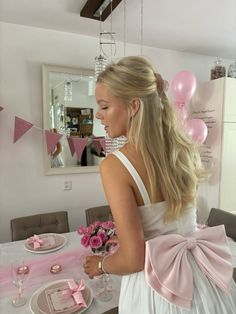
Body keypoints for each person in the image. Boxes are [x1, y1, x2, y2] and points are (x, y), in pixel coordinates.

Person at [83, 56, 236, 313]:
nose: (98, 115)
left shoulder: (114, 166)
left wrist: (101, 265)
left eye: (105, 106)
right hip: (202, 278)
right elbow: (170, 220)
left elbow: (133, 258)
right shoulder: (185, 150)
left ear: (133, 106)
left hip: (158, 289)